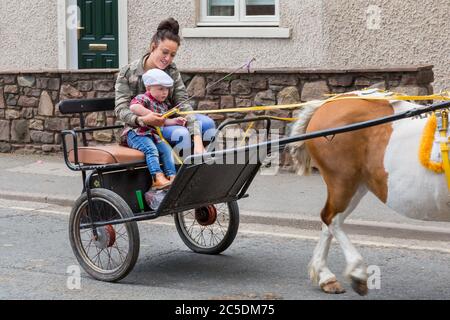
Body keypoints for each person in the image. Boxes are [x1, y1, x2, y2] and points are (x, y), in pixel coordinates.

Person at [115, 17, 216, 159]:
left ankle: (197, 162)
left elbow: (183, 104)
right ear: (153, 47)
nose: (168, 58)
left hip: (169, 121)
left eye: (172, 55)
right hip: (138, 128)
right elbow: (121, 110)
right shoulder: (128, 72)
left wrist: (198, 141)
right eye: (165, 52)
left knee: (208, 124)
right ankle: (180, 175)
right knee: (181, 134)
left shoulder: (171, 70)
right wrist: (142, 119)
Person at [124, 68, 186, 190]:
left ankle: (172, 177)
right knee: (151, 150)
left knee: (167, 150)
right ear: (148, 88)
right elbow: (134, 107)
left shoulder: (163, 105)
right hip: (137, 134)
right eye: (161, 89)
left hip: (153, 135)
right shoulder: (143, 98)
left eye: (166, 89)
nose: (164, 92)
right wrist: (149, 114)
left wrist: (175, 121)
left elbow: (162, 121)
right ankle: (157, 177)